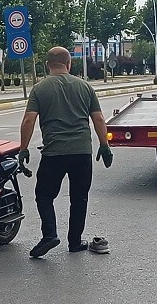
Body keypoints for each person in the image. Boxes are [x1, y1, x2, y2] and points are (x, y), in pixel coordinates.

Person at [18, 46, 113, 258]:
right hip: (82, 152)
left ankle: (50, 234)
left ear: (47, 65)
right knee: (79, 198)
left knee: (44, 195)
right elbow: (98, 119)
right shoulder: (85, 87)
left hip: (54, 152)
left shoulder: (39, 88)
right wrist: (104, 146)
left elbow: (28, 120)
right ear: (69, 64)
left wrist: (23, 149)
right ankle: (75, 242)